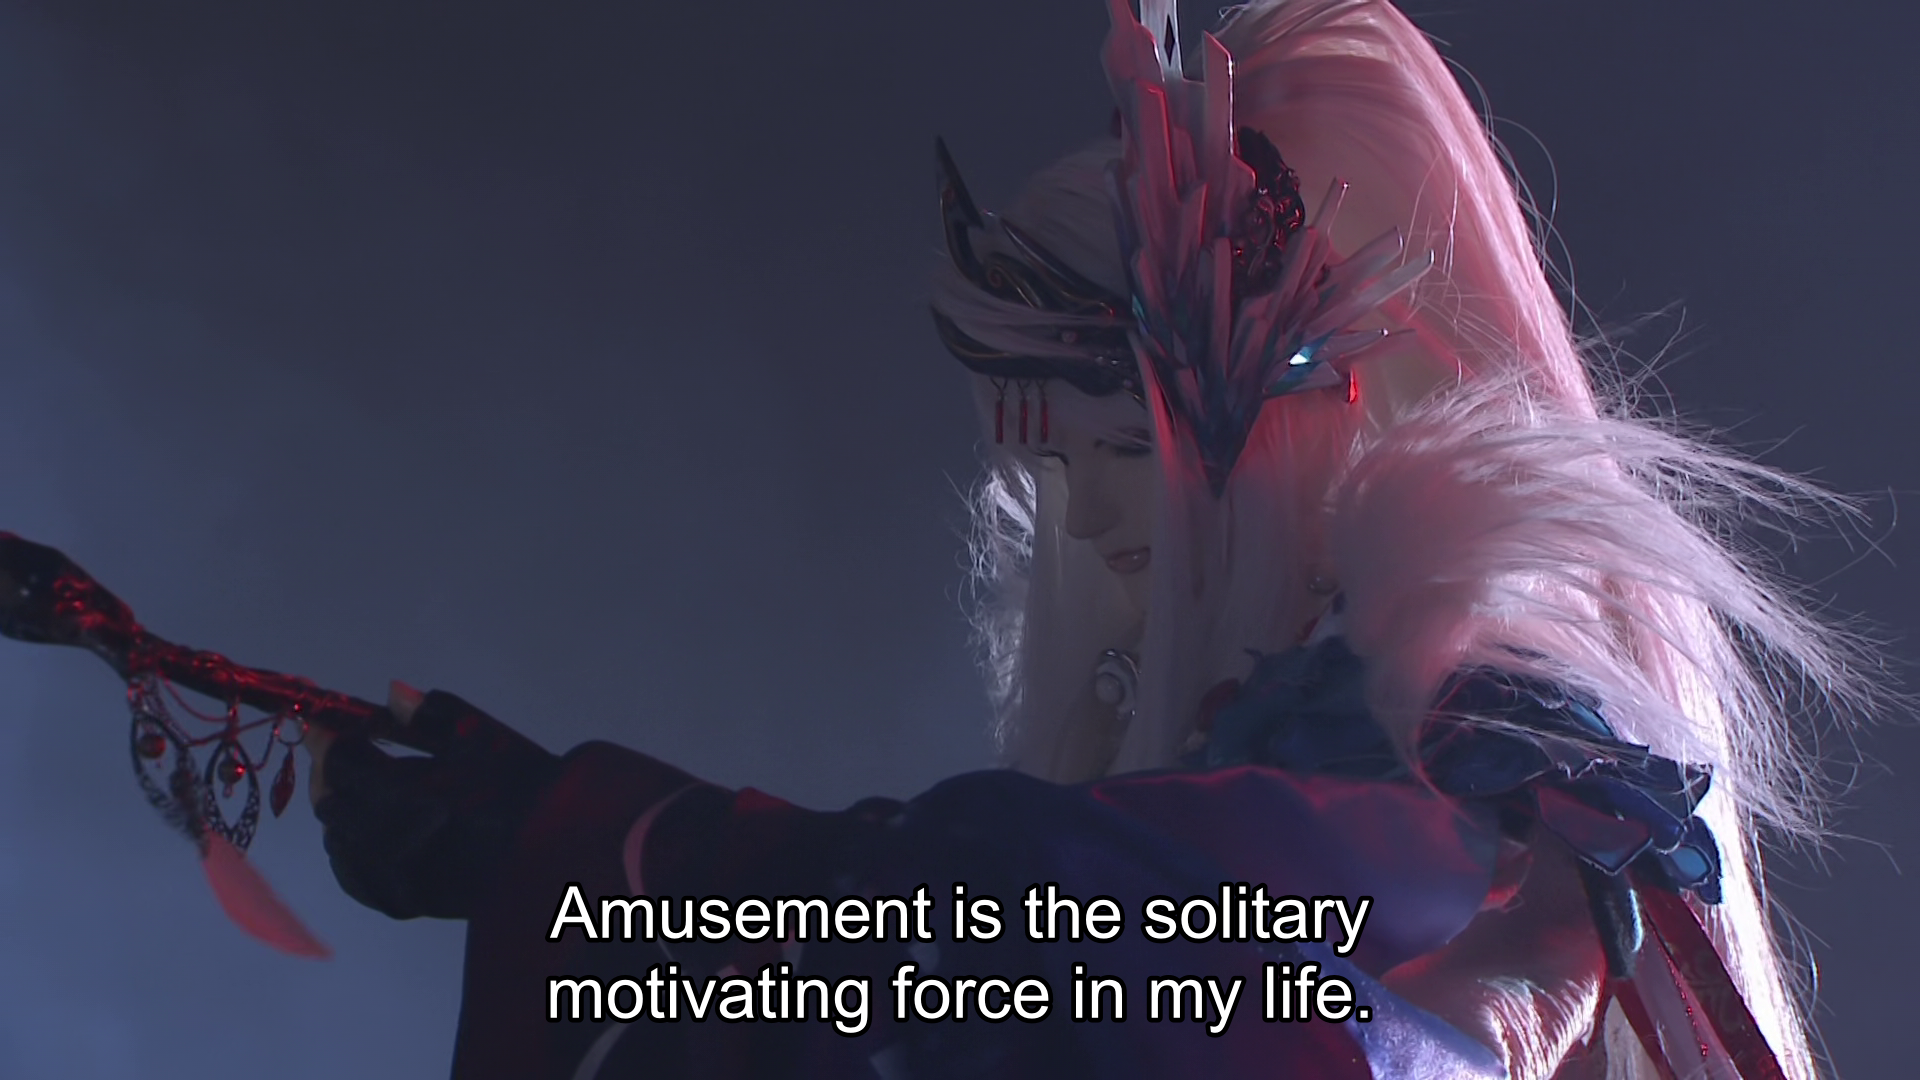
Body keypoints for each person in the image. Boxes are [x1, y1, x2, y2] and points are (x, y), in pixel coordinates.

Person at [308, 2, 1872, 1078]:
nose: (1093, 511)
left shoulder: (1475, 694)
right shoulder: (1274, 691)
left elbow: (1090, 926)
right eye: (1055, 465)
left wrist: (619, 859)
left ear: (1291, 405)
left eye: (1122, 449)